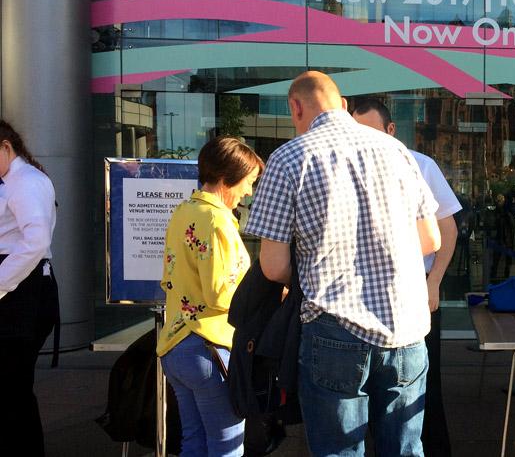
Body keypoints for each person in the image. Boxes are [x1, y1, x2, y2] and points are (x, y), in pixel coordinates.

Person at [245, 71, 440, 457]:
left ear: (296, 107)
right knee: (404, 449)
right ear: (345, 106)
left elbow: (272, 265)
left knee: (338, 451)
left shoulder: (289, 158)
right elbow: (430, 239)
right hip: (407, 326)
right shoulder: (396, 151)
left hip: (334, 326)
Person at [352, 98, 461, 457]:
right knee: (359, 392)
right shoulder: (345, 165)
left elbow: (447, 230)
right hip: (359, 298)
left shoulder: (418, 164)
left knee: (418, 389)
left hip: (415, 293)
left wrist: (434, 283)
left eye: (370, 130)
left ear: (391, 130)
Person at [157, 136, 264, 457]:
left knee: (194, 442)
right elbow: (222, 294)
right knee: (226, 447)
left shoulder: (184, 210)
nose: (248, 191)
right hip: (210, 348)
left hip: (176, 345)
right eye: (248, 182)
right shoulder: (217, 219)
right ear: (228, 177)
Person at [0, 120, 59, 456]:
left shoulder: (25, 181)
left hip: (22, 295)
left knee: (12, 389)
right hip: (20, 291)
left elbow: (36, 242)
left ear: (7, 147)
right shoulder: (17, 179)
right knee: (12, 389)